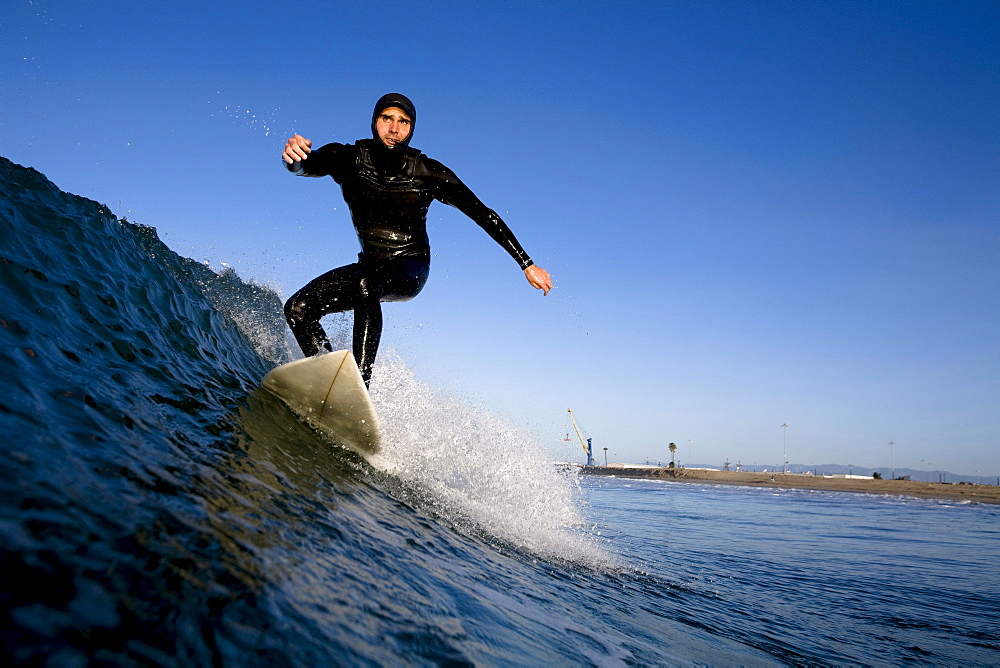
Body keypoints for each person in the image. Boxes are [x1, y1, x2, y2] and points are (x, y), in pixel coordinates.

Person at [281, 93, 552, 388]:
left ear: (411, 128)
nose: (394, 129)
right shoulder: (351, 158)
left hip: (410, 267)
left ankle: (357, 387)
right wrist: (297, 160)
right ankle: (328, 380)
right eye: (387, 118)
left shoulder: (427, 171)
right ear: (374, 121)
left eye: (403, 122)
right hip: (370, 267)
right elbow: (312, 163)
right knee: (297, 308)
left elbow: (483, 214)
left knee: (366, 284)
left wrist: (527, 264)